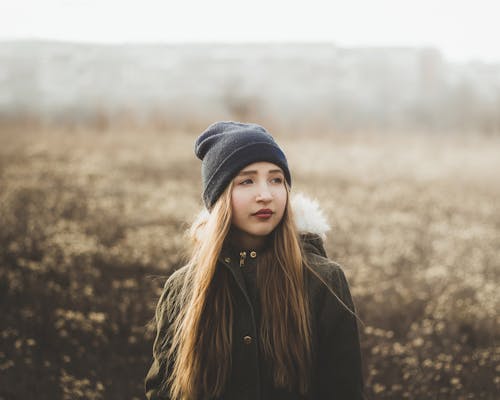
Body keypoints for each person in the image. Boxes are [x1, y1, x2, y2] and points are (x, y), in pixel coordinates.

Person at [145, 121, 365, 400]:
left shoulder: (324, 281)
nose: (266, 195)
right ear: (220, 197)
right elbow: (163, 391)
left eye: (276, 179)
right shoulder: (183, 289)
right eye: (247, 181)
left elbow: (344, 391)